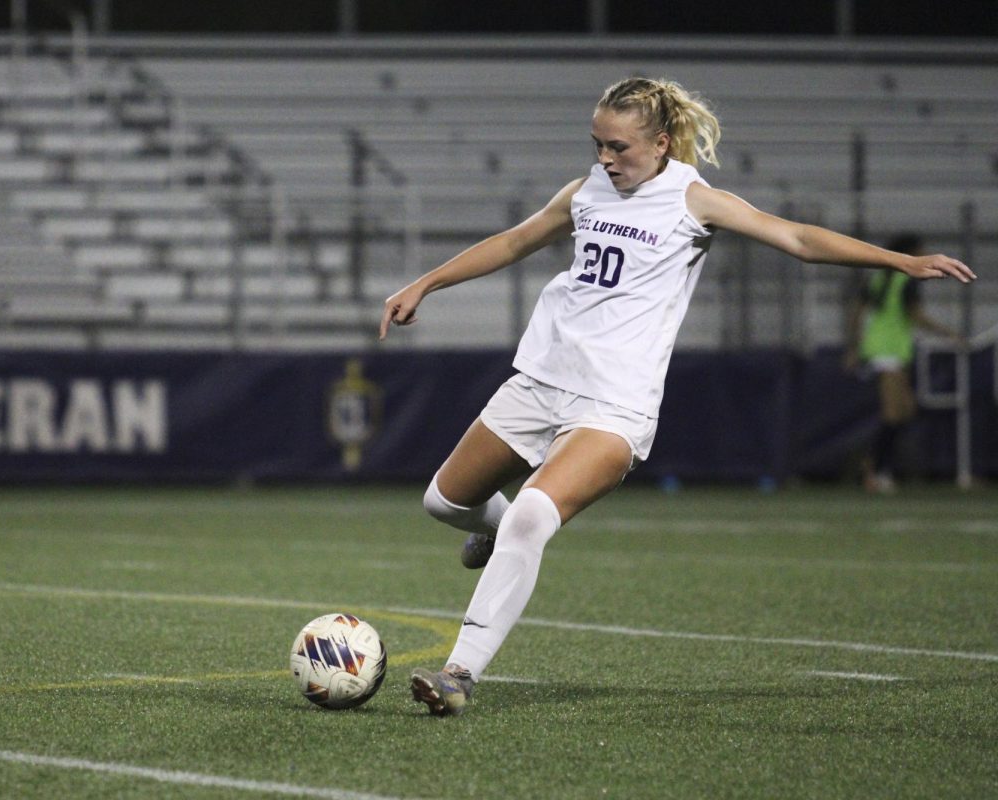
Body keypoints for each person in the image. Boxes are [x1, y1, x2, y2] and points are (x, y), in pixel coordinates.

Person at [377, 77, 977, 717]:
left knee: (531, 515)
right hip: (540, 380)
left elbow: (799, 240)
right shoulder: (585, 191)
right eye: (598, 145)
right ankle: (491, 533)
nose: (606, 158)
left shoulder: (693, 199)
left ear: (661, 142)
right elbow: (512, 242)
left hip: (614, 404)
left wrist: (899, 261)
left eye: (619, 147)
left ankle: (459, 674)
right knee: (443, 501)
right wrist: (427, 282)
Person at [844, 233, 968, 492]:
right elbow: (916, 316)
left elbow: (857, 311)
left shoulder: (878, 276)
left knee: (906, 411)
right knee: (893, 412)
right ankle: (873, 470)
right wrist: (950, 334)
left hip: (884, 349)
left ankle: (875, 465)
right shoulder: (906, 279)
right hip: (887, 351)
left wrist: (855, 345)